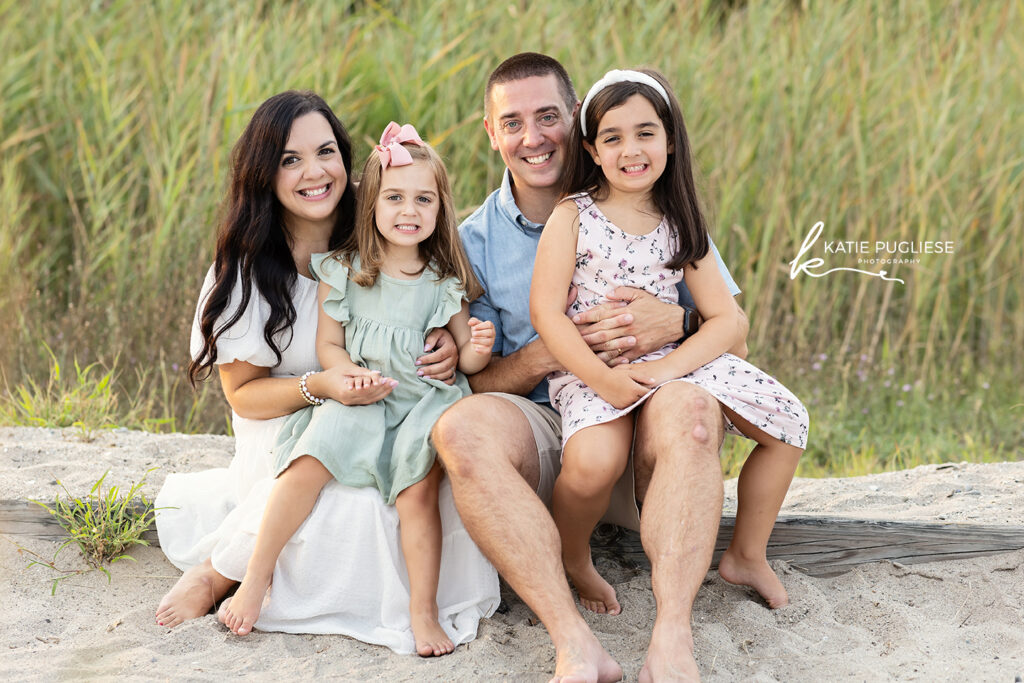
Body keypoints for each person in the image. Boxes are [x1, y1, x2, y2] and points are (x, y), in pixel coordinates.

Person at [432, 53, 749, 682]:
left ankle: (672, 638)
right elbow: (478, 380)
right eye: (513, 122)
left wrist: (674, 321)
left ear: (573, 121)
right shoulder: (471, 242)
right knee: (460, 429)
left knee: (692, 412)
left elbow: (731, 338)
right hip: (555, 427)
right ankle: (574, 643)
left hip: (652, 411)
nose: (533, 137)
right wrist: (551, 351)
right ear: (490, 134)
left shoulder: (655, 201)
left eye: (548, 116)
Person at [154, 92, 498, 655]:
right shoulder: (246, 267)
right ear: (264, 175)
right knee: (344, 502)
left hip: (393, 408)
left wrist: (449, 348)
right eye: (291, 160)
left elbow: (440, 289)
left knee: (414, 495)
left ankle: (401, 607)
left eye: (326, 152)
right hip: (291, 418)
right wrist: (324, 386)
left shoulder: (384, 228)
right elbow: (244, 397)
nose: (314, 172)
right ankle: (224, 572)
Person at [531, 68, 808, 621]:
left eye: (645, 133)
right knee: (591, 464)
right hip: (595, 366)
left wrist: (669, 370)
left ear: (670, 139)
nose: (631, 149)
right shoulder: (573, 215)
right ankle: (574, 557)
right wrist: (605, 380)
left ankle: (747, 554)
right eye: (613, 138)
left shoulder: (680, 220)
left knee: (788, 422)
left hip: (669, 365)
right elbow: (546, 313)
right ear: (592, 149)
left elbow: (728, 322)